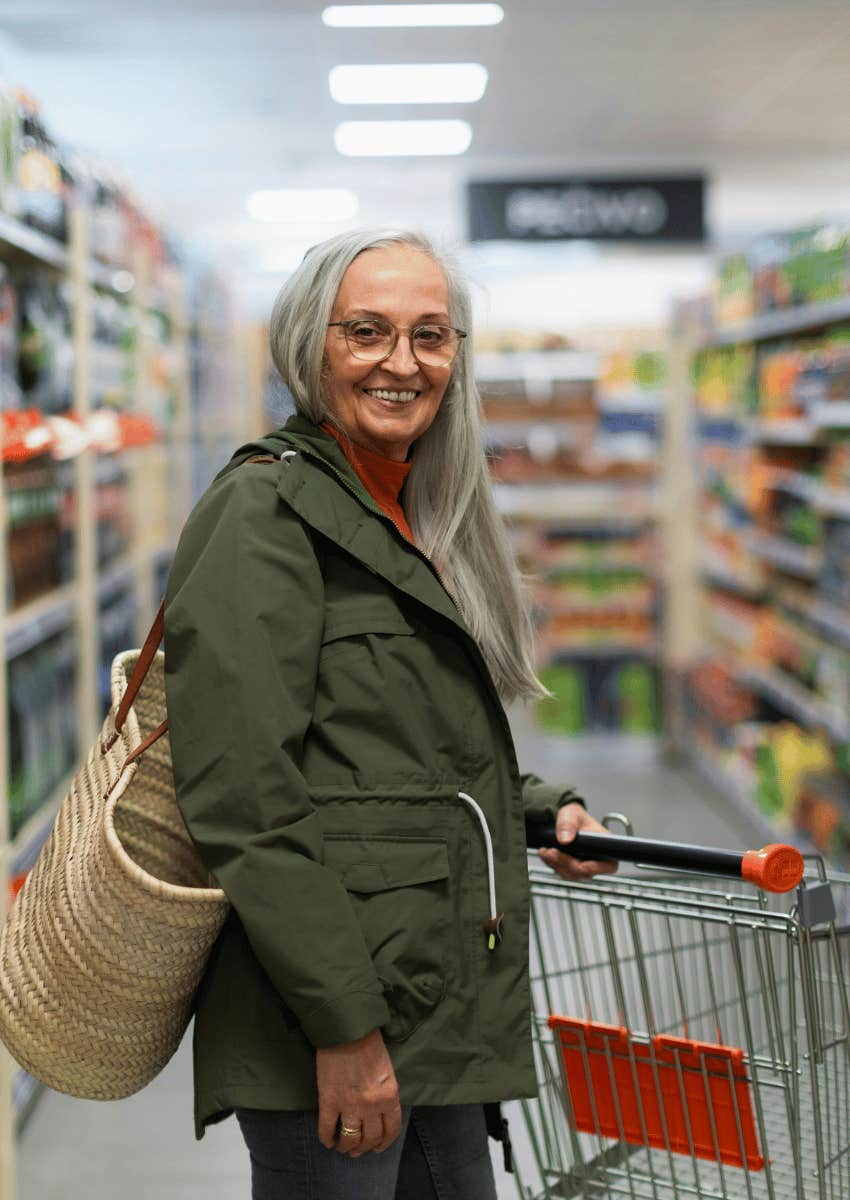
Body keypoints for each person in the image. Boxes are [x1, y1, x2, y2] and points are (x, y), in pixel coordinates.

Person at [163, 228, 617, 1199]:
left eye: (431, 335)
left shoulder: (408, 512)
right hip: (332, 1021)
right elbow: (244, 795)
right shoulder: (265, 514)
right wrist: (344, 1027)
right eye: (366, 332)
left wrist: (544, 811)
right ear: (306, 344)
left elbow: (399, 755)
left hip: (432, 992)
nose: (402, 363)